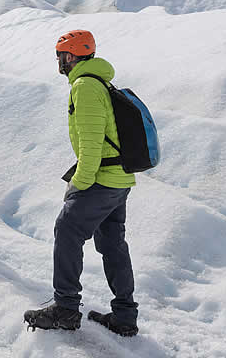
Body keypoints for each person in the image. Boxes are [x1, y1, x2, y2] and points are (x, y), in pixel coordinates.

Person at [24, 30, 139, 336]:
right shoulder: (99, 82)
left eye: (60, 56)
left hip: (102, 180)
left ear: (70, 56)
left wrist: (79, 183)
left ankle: (65, 309)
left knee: (67, 229)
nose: (58, 62)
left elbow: (90, 145)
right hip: (119, 179)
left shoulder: (85, 87)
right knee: (112, 244)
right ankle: (125, 316)